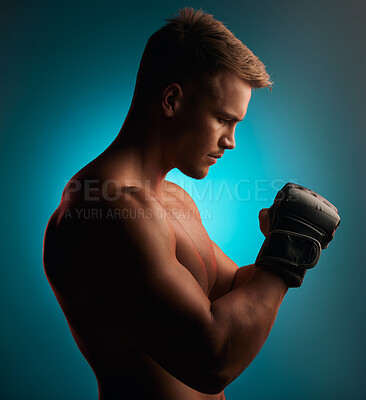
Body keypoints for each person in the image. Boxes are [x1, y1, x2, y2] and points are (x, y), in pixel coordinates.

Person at [43, 7, 340, 400]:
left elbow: (229, 289)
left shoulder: (172, 199)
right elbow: (213, 359)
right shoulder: (108, 209)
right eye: (222, 119)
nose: (231, 140)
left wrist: (286, 243)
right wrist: (285, 258)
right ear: (171, 100)